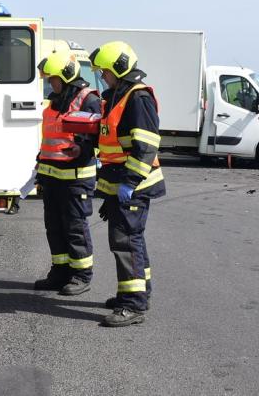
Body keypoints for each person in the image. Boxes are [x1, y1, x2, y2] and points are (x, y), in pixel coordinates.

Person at [90, 41, 165, 327]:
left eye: (105, 72)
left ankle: (133, 305)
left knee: (127, 242)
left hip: (134, 184)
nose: (102, 77)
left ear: (118, 70)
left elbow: (145, 146)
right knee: (130, 241)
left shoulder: (137, 98)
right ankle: (134, 294)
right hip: (121, 181)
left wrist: (129, 183)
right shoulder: (120, 95)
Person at [33, 50, 101, 296]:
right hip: (52, 177)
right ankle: (59, 272)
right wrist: (40, 165)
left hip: (75, 179)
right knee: (55, 227)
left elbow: (96, 137)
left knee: (75, 228)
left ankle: (81, 275)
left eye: (54, 78)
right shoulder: (55, 101)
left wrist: (81, 149)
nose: (51, 83)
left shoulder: (87, 99)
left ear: (67, 76)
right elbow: (51, 138)